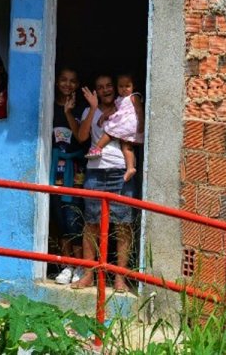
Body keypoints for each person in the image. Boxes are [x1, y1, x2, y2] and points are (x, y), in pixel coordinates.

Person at [71, 74, 136, 293]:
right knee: (91, 222)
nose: (106, 89)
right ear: (95, 91)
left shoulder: (125, 105)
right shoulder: (90, 110)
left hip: (120, 170)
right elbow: (81, 137)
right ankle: (89, 274)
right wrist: (92, 108)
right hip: (95, 171)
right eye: (100, 87)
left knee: (123, 223)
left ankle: (119, 278)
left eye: (109, 85)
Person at [50, 66, 87, 285]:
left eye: (73, 81)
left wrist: (68, 112)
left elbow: (82, 139)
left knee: (74, 218)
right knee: (60, 217)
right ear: (56, 82)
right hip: (55, 171)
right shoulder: (49, 106)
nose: (68, 85)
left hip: (76, 171)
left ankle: (80, 265)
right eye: (63, 80)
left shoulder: (82, 109)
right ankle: (66, 265)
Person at [86, 73, 143, 184]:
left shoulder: (134, 97)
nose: (124, 89)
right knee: (127, 147)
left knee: (109, 132)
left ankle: (97, 148)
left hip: (128, 124)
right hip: (126, 127)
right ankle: (130, 167)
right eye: (121, 87)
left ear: (133, 86)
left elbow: (139, 111)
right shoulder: (119, 100)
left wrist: (141, 124)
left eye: (127, 86)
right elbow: (113, 110)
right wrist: (104, 116)